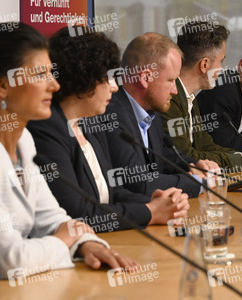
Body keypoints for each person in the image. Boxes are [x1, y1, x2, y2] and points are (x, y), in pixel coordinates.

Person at [0, 23, 137, 288]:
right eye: (41, 74)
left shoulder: (24, 140)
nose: (54, 84)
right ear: (1, 86)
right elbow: (11, 260)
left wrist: (86, 244)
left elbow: (52, 218)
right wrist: (64, 241)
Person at [28, 27, 190, 232]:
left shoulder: (89, 124)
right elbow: (79, 213)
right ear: (84, 78)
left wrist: (160, 201)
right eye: (107, 79)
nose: (114, 87)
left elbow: (113, 193)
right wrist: (149, 211)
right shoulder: (47, 129)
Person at [103, 32, 218, 199]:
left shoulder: (152, 111)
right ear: (145, 78)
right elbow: (138, 183)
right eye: (171, 80)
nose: (175, 90)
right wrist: (196, 182)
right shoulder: (111, 114)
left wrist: (194, 166)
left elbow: (165, 155)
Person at [161, 21, 242, 172]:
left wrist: (241, 154)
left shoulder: (189, 97)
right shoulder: (169, 100)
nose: (221, 69)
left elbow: (205, 144)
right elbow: (186, 157)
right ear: (204, 65)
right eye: (220, 62)